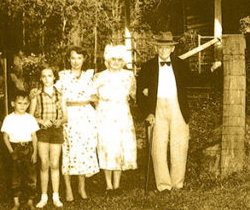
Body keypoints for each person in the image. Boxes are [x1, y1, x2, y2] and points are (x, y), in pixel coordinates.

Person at [137, 32, 193, 192]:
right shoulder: (148, 66)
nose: (163, 51)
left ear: (172, 49)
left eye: (166, 48)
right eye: (160, 48)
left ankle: (177, 183)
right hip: (156, 108)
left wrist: (213, 69)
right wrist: (148, 112)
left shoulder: (181, 64)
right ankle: (163, 186)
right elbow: (140, 94)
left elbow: (194, 80)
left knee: (179, 145)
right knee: (157, 146)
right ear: (156, 48)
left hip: (177, 107)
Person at [56, 45, 98, 201]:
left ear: (84, 59)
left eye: (79, 58)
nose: (76, 61)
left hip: (86, 115)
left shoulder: (89, 76)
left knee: (84, 150)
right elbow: (59, 99)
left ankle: (81, 187)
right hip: (69, 115)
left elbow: (95, 96)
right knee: (68, 150)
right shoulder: (63, 77)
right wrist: (64, 116)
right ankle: (68, 189)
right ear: (69, 59)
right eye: (73, 58)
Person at [95, 44, 137, 194]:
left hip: (122, 114)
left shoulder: (129, 76)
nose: (116, 62)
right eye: (113, 59)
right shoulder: (99, 77)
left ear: (123, 61)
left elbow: (134, 96)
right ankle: (108, 185)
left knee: (119, 147)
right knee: (106, 147)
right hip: (105, 114)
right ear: (108, 59)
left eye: (119, 59)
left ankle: (117, 185)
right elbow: (93, 97)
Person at [29, 65, 65, 208]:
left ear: (54, 77)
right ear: (40, 78)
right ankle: (44, 196)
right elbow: (30, 116)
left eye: (49, 76)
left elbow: (65, 116)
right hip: (42, 132)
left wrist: (59, 121)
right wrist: (42, 121)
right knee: (44, 164)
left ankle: (56, 195)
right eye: (43, 76)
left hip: (56, 131)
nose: (47, 79)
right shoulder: (36, 95)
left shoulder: (61, 95)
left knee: (55, 163)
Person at [1, 90, 38, 210]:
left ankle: (30, 201)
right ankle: (16, 202)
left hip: (28, 148)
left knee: (31, 176)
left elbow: (34, 137)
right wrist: (12, 152)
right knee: (15, 176)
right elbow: (5, 137)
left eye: (26, 103)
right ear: (13, 103)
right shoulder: (9, 118)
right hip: (15, 148)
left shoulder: (30, 118)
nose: (23, 106)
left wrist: (34, 153)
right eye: (20, 103)